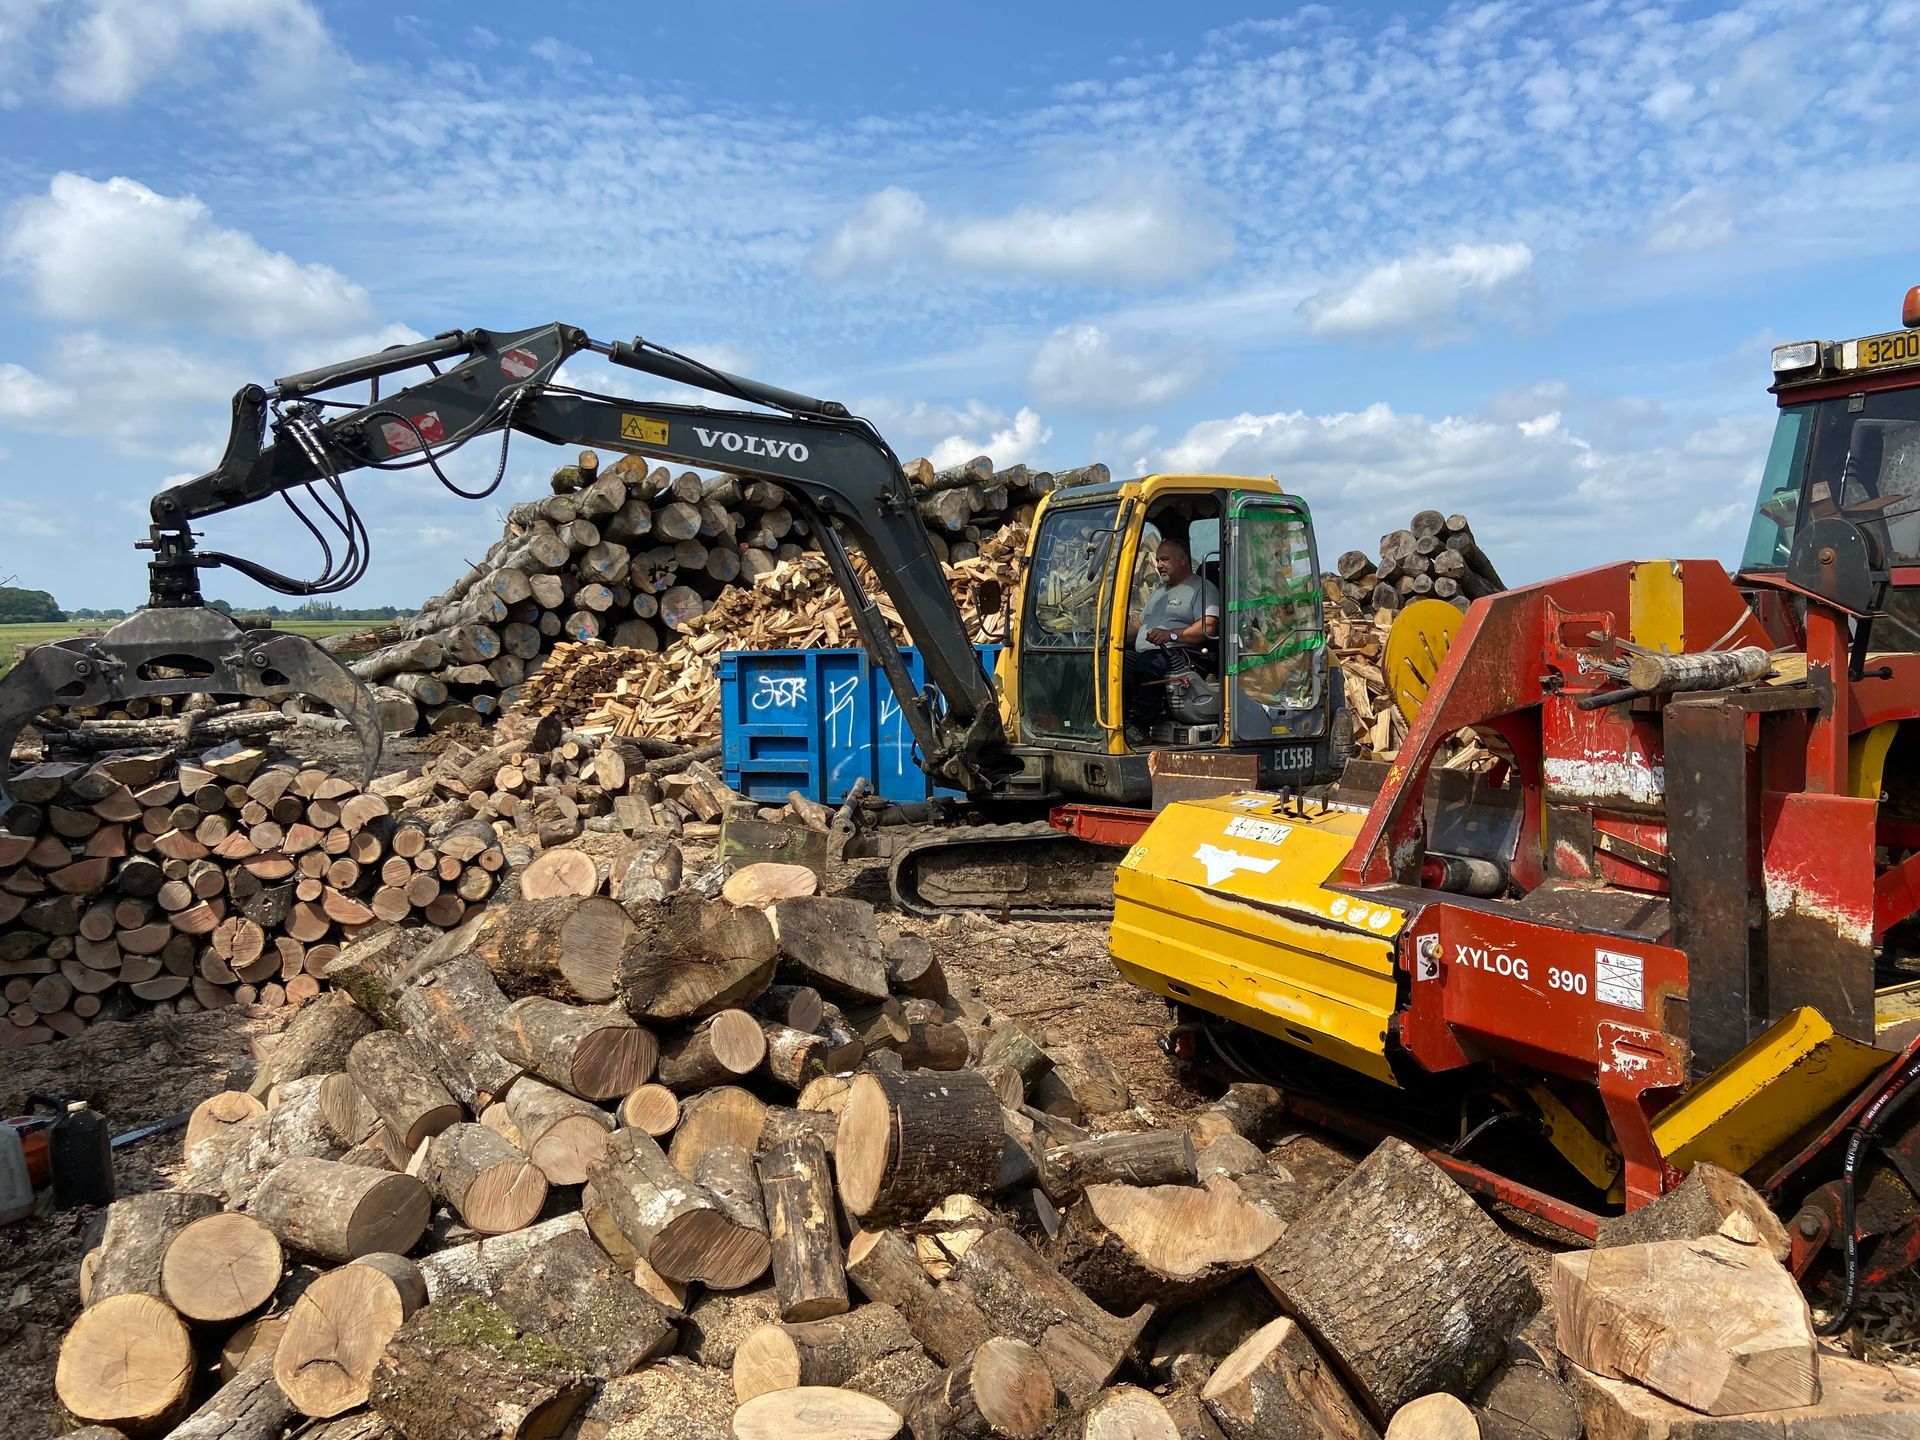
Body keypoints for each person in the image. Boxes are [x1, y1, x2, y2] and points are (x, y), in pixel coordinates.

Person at [1122, 537, 1220, 744]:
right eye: (1158, 560)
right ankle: (1122, 721)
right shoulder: (1160, 591)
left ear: (1183, 559)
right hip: (1150, 652)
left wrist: (1171, 635)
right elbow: (1140, 624)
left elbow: (1208, 627)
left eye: (1164, 559)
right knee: (1114, 662)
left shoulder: (1202, 588)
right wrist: (1113, 636)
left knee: (1147, 664)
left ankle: (1140, 726)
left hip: (1182, 654)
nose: (1159, 565)